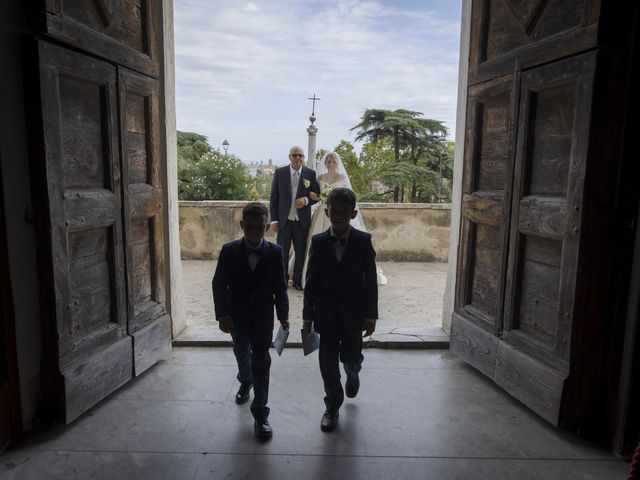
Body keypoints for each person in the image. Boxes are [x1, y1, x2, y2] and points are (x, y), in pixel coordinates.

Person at [302, 188, 378, 432]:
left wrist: (370, 315)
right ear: (327, 211)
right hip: (325, 314)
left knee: (350, 355)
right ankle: (332, 405)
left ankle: (353, 371)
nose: (339, 215)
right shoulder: (319, 242)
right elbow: (311, 281)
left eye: (345, 212)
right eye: (335, 211)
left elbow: (370, 280)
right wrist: (307, 317)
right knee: (327, 362)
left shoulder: (363, 242)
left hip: (354, 314)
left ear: (353, 213)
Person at [212, 202, 289, 440]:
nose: (255, 231)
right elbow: (218, 284)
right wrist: (222, 314)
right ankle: (245, 381)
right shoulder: (229, 250)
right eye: (250, 226)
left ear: (267, 226)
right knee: (241, 351)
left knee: (261, 359)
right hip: (236, 315)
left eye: (260, 227)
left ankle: (261, 414)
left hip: (264, 317)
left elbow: (280, 287)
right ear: (242, 225)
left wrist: (284, 316)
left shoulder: (276, 252)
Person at [295, 151, 386, 287]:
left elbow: (348, 196)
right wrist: (316, 196)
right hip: (323, 212)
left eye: (333, 162)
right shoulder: (319, 177)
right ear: (325, 163)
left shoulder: (342, 177)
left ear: (337, 164)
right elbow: (315, 194)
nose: (331, 164)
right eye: (328, 162)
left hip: (339, 213)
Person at [269, 145, 320, 290]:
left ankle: (297, 280)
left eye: (300, 155)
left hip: (302, 221)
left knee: (300, 252)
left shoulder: (310, 174)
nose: (298, 158)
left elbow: (317, 196)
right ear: (289, 157)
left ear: (303, 158)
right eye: (294, 155)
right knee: (282, 252)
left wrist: (306, 200)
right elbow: (274, 198)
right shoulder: (280, 173)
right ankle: (282, 280)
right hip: (284, 220)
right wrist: (274, 219)